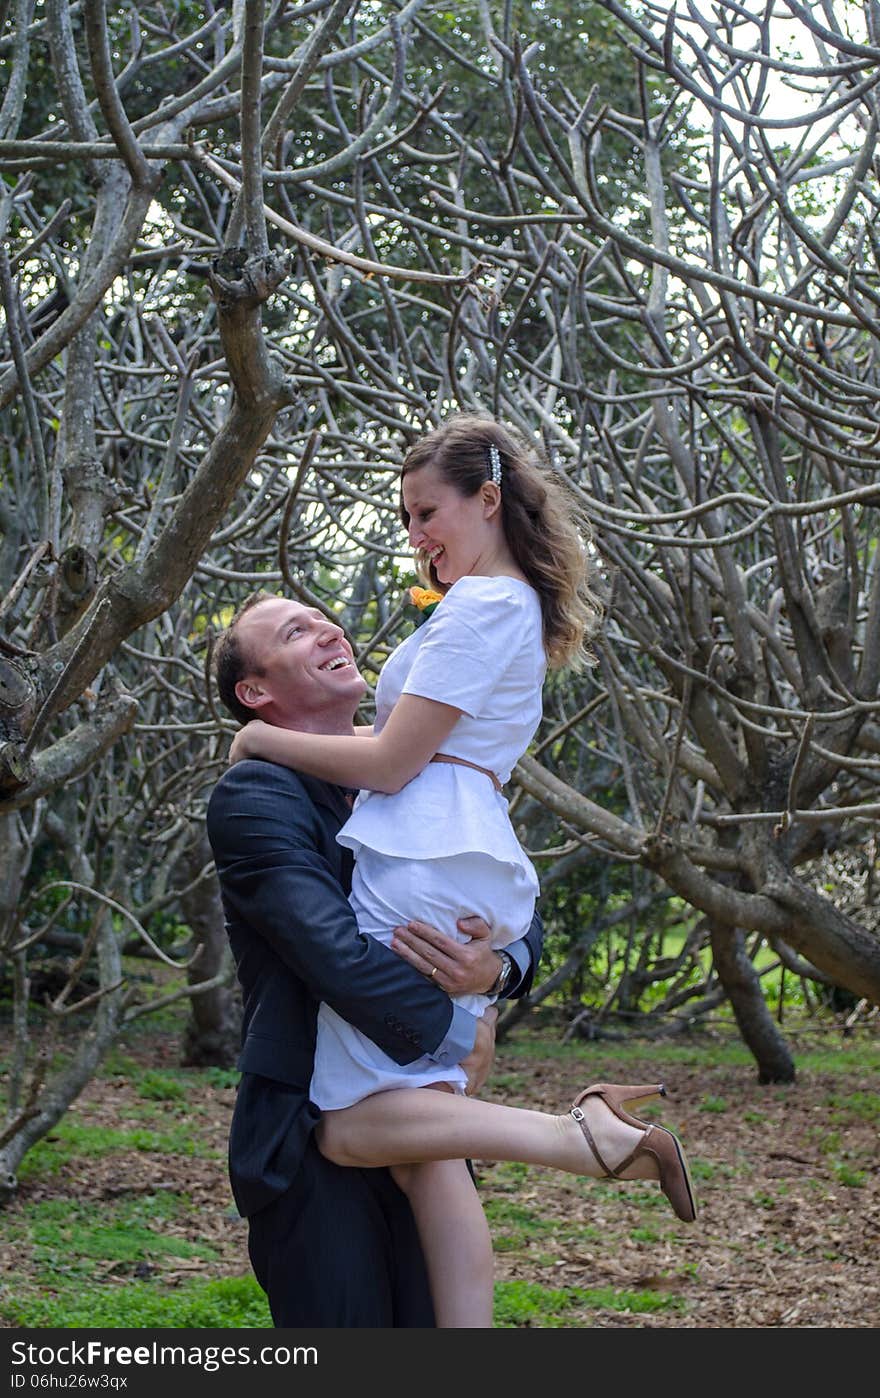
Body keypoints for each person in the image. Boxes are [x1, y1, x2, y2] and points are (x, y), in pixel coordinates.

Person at [230, 412, 697, 1329]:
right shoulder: (500, 608)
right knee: (425, 1149)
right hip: (449, 841)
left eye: (425, 512)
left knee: (355, 1125)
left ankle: (583, 1135)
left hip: (426, 845)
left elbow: (396, 763)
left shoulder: (482, 609)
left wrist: (255, 737)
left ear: (488, 502)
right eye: (406, 519)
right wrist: (492, 980)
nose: (416, 537)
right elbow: (395, 752)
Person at [207, 590, 544, 1328]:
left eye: (324, 616)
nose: (329, 626)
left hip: (419, 1116)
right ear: (255, 692)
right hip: (310, 1137)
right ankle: (579, 1141)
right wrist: (461, 1034)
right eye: (296, 631)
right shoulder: (257, 792)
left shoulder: (415, 768)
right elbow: (331, 952)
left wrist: (499, 968)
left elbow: (511, 900)